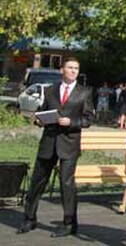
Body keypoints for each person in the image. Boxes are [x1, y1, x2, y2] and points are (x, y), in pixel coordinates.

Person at [18, 57, 95, 237]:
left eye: (76, 68)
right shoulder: (51, 90)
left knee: (66, 184)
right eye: (70, 67)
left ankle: (69, 223)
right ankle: (29, 219)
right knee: (37, 181)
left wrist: (71, 121)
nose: (73, 70)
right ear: (62, 70)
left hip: (69, 144)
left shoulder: (84, 92)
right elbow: (43, 111)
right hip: (49, 141)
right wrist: (38, 120)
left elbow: (89, 119)